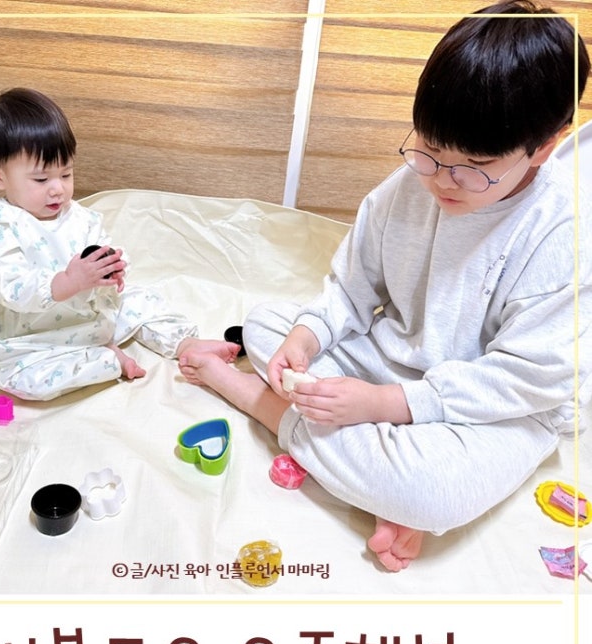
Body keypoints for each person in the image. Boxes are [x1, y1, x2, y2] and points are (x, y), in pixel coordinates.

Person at [179, 1, 592, 571]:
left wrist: (386, 405)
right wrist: (307, 336)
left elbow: (533, 378)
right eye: (429, 150)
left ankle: (249, 396)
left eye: (474, 165)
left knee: (433, 494)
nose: (443, 181)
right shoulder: (409, 185)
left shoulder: (565, 231)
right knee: (267, 325)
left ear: (544, 147)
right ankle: (366, 469)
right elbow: (351, 289)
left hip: (501, 406)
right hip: (392, 360)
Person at [0, 88, 239, 401]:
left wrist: (113, 268)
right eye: (41, 180)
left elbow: (101, 247)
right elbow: (12, 289)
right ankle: (105, 360)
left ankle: (184, 344)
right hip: (37, 335)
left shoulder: (78, 216)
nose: (58, 189)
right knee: (29, 381)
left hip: (92, 314)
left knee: (142, 301)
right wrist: (68, 281)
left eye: (66, 174)